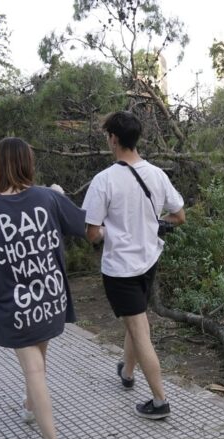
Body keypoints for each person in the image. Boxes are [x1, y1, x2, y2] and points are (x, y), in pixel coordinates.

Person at [0, 137, 86, 439]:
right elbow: (81, 223)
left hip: (17, 304)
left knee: (33, 369)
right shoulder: (48, 197)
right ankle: (31, 407)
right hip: (51, 297)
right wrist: (58, 197)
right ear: (27, 163)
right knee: (39, 361)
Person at [82, 111, 185, 420]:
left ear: (114, 139)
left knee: (139, 330)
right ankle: (127, 372)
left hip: (120, 269)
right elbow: (179, 216)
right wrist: (155, 222)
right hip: (148, 260)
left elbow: (91, 234)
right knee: (135, 319)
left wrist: (106, 231)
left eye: (107, 136)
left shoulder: (104, 180)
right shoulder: (157, 174)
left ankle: (160, 401)